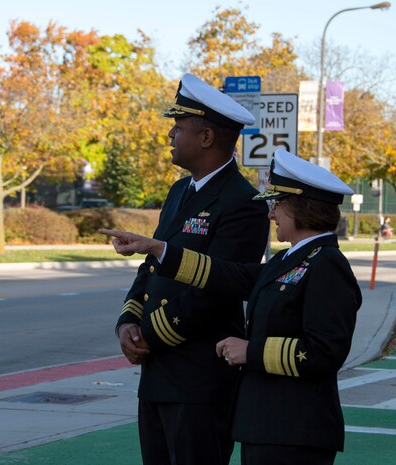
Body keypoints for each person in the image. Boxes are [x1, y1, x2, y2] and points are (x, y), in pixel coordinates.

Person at [101, 149, 362, 465]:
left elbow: (326, 351)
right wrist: (159, 249)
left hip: (297, 429)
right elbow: (226, 274)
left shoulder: (327, 264)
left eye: (277, 204)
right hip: (264, 426)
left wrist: (250, 351)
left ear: (301, 209)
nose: (271, 214)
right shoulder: (285, 260)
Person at [112, 73, 269, 465]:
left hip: (200, 380)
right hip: (157, 375)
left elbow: (219, 289)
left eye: (178, 127)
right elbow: (153, 265)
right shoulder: (180, 191)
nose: (170, 135)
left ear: (206, 137)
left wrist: (149, 334)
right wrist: (127, 321)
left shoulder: (242, 202)